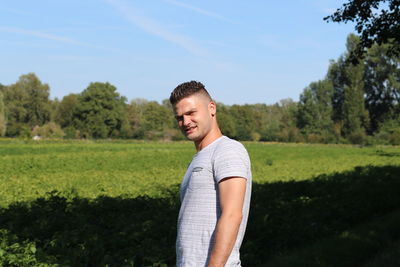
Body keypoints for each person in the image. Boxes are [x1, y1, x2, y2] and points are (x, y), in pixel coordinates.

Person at [169, 81, 252, 267]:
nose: (185, 122)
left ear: (211, 108)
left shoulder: (227, 150)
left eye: (191, 113)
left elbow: (232, 215)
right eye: (179, 117)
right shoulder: (199, 158)